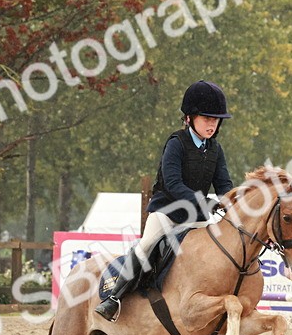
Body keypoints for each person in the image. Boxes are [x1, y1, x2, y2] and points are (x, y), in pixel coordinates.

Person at [95, 80, 235, 321]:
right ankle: (114, 298)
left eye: (215, 120)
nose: (212, 124)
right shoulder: (176, 144)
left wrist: (231, 202)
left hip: (197, 218)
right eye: (206, 118)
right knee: (147, 244)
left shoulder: (216, 149)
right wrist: (203, 201)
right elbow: (173, 184)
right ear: (190, 118)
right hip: (167, 212)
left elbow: (224, 184)